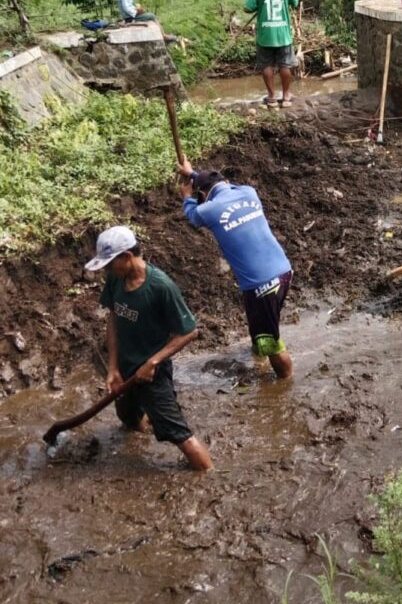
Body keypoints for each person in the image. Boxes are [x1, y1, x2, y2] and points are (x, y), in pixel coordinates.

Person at [86, 225, 213, 471]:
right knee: (128, 418)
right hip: (124, 370)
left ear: (126, 257)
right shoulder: (116, 279)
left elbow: (189, 331)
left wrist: (153, 362)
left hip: (151, 375)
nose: (106, 271)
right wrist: (112, 367)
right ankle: (141, 437)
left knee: (180, 435)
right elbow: (113, 318)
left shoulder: (161, 287)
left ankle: (208, 475)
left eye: (110, 264)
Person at [178, 160, 294, 380]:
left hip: (262, 284)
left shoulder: (207, 210)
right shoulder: (249, 193)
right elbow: (216, 186)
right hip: (283, 271)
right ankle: (260, 359)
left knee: (271, 342)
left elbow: (193, 216)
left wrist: (186, 196)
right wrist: (192, 174)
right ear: (227, 182)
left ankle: (286, 383)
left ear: (202, 195)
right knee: (262, 329)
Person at [244, 0, 300, 106]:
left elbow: (247, 9)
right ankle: (286, 96)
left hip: (265, 36)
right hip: (283, 35)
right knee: (285, 65)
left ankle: (271, 96)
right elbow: (295, 3)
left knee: (266, 65)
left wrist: (260, 5)